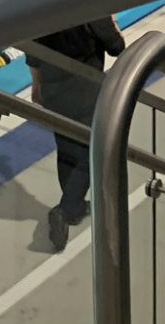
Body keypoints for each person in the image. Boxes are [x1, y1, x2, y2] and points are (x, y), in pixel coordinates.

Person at [26, 16, 127, 251]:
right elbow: (116, 47)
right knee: (91, 153)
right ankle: (66, 209)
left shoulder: (43, 10)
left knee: (66, 150)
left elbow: (32, 54)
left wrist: (36, 84)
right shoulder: (92, 9)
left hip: (54, 92)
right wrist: (113, 22)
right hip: (86, 92)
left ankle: (75, 207)